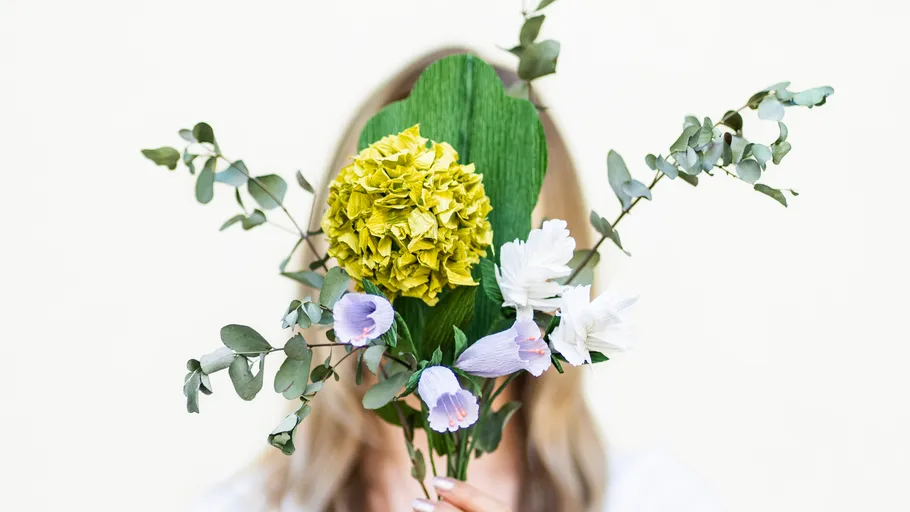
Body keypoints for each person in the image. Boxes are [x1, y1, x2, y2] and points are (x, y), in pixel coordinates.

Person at [197, 48, 722, 512]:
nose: (444, 295)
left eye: (490, 250)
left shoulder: (654, 498)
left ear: (557, 282)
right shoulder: (244, 505)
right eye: (398, 239)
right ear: (335, 261)